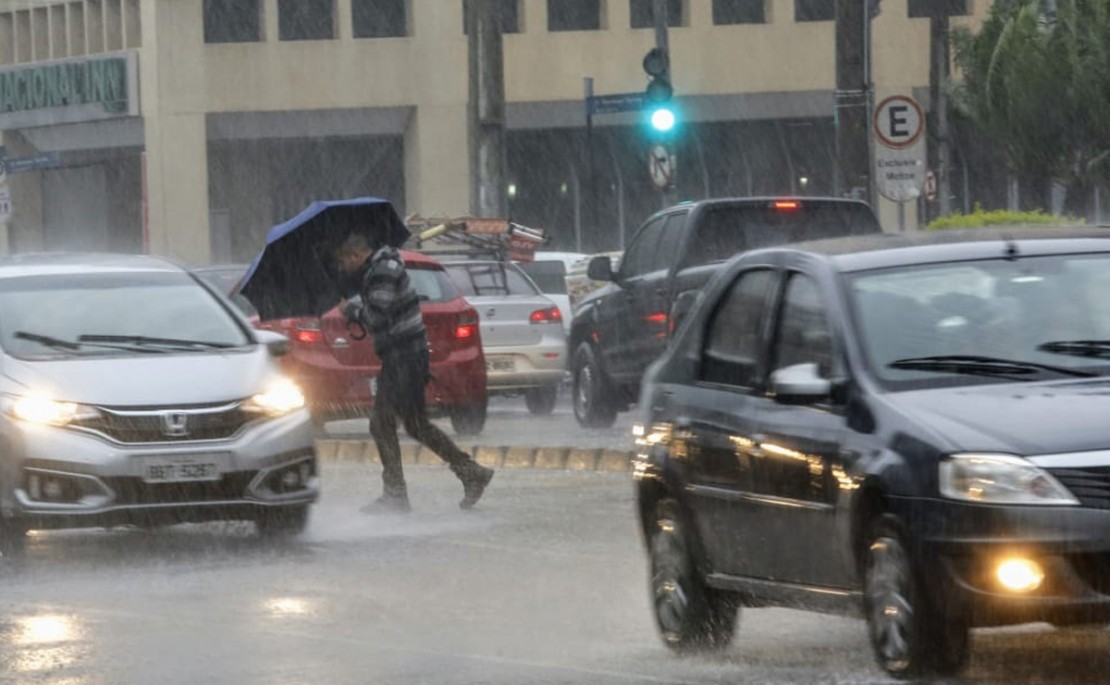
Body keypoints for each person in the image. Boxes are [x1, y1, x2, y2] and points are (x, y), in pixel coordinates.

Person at [335, 232, 494, 512]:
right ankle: (470, 472)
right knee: (415, 424)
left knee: (382, 423)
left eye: (344, 262)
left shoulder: (380, 272)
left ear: (356, 255)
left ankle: (397, 494)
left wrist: (352, 311)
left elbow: (378, 316)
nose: (342, 268)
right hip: (407, 356)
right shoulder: (382, 267)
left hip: (403, 358)